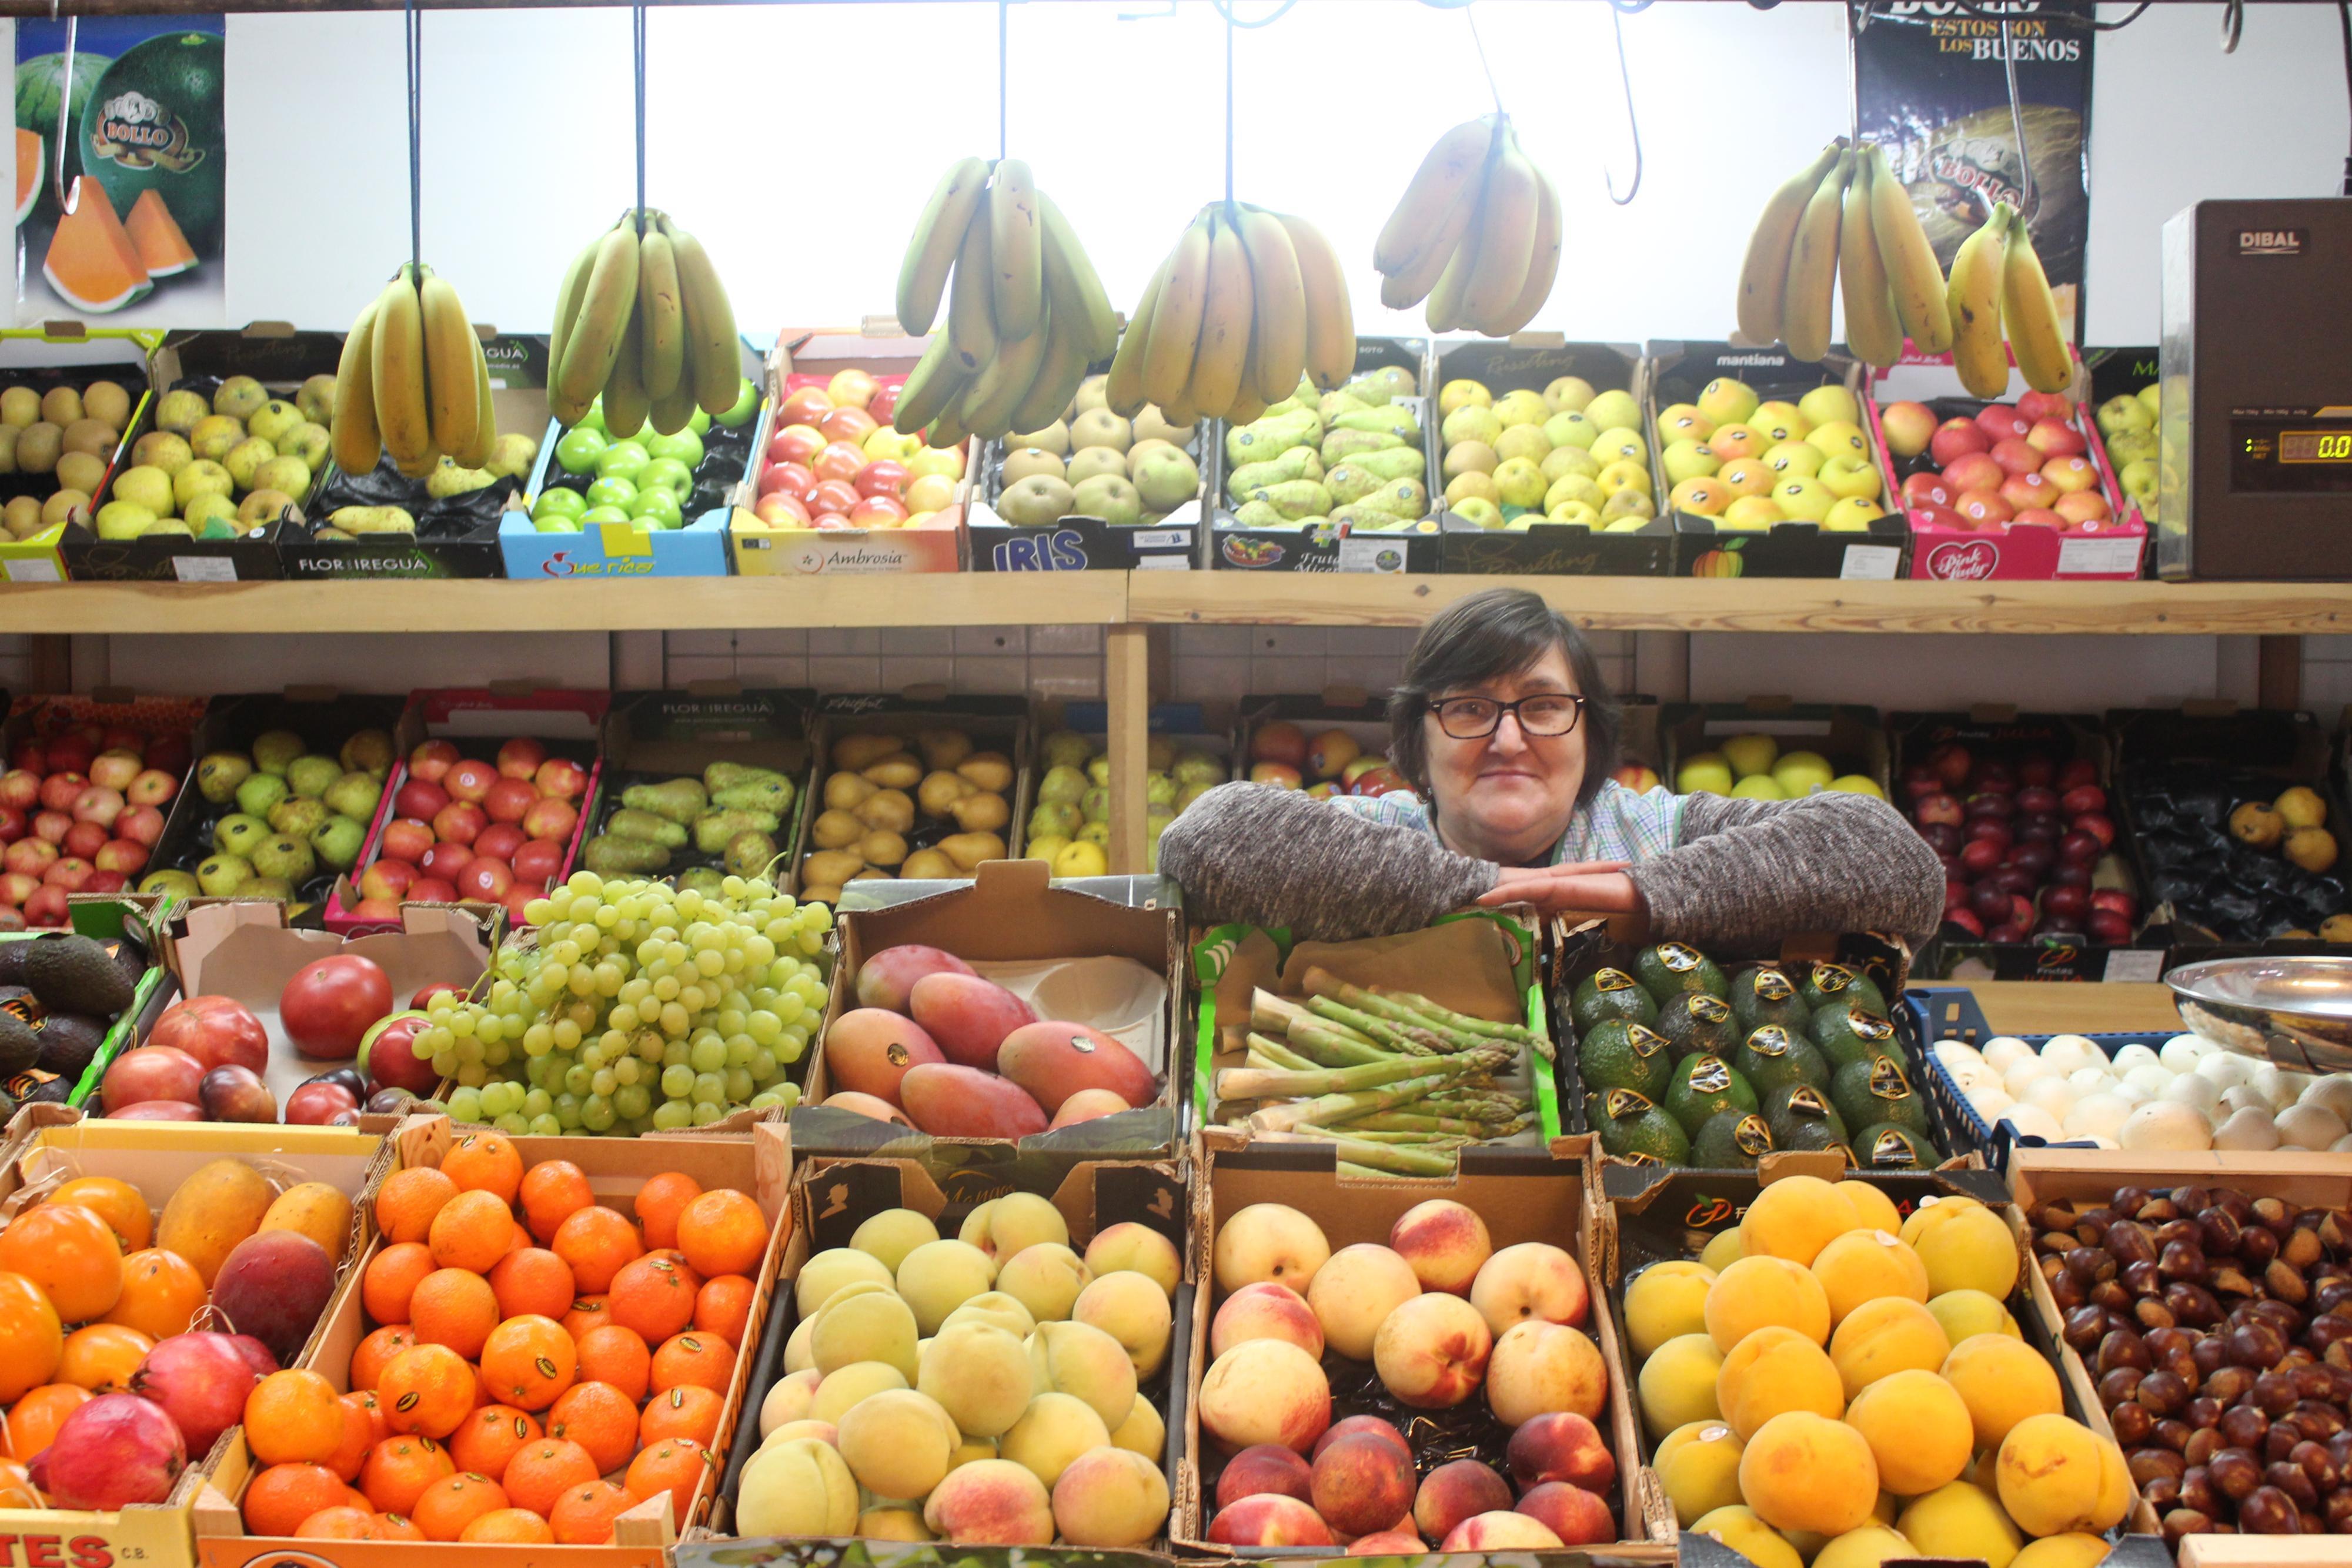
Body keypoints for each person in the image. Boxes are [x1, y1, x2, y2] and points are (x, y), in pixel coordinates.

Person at [1158, 587, 1943, 950]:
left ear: (1590, 735)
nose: (1506, 741)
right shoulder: (1376, 829)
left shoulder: (1658, 831)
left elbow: (1897, 862)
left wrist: (1642, 892)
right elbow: (1202, 841)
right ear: (1417, 744)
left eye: (1541, 706)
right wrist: (1486, 894)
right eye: (1467, 708)